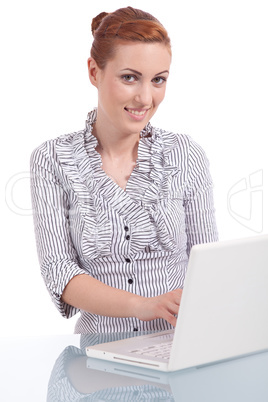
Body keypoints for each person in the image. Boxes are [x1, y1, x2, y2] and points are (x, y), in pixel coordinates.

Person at [30, 6, 218, 334]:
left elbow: (210, 266)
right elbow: (59, 271)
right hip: (97, 357)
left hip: (177, 346)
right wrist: (143, 306)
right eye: (129, 77)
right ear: (94, 72)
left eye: (158, 80)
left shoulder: (185, 155)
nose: (145, 98)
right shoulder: (53, 160)